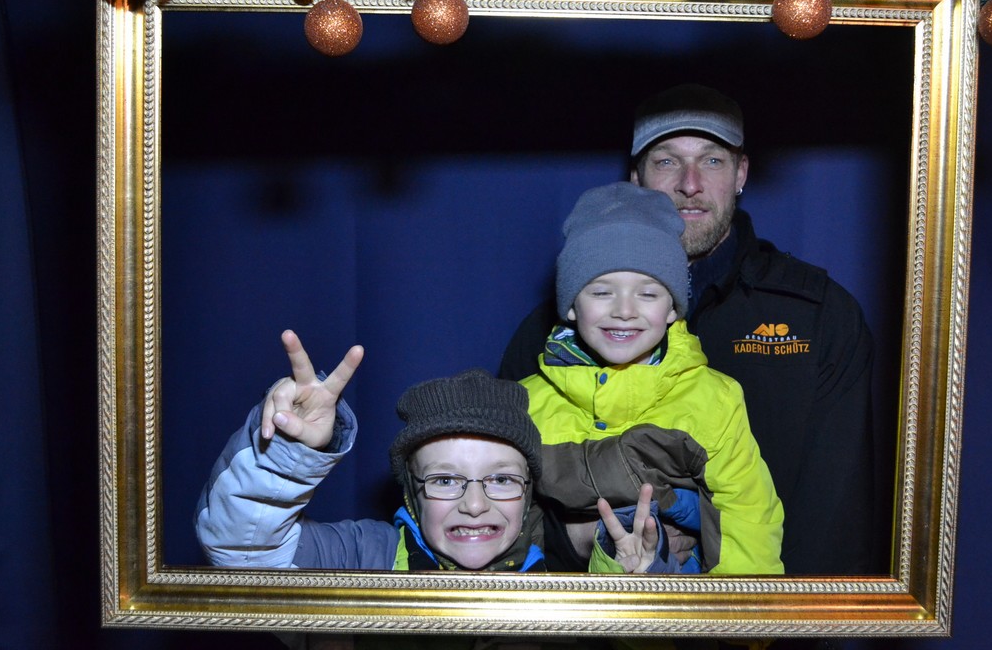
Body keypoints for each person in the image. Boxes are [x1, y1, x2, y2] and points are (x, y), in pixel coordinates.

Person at [500, 84, 876, 576]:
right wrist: (582, 541)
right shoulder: (551, 333)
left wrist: (763, 616)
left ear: (741, 173)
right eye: (667, 161)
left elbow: (838, 517)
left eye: (712, 160)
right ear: (636, 178)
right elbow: (500, 501)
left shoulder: (818, 314)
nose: (691, 184)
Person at [196, 330, 673, 574]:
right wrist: (288, 450)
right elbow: (243, 550)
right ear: (412, 494)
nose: (474, 504)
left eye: (501, 479)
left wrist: (633, 590)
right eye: (445, 480)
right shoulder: (366, 557)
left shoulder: (563, 570)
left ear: (529, 491)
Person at [518, 181, 784, 576]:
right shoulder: (523, 403)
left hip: (676, 607)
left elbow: (748, 515)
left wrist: (740, 611)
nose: (625, 311)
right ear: (571, 305)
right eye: (602, 292)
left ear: (673, 308)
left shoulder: (715, 398)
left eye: (648, 294)